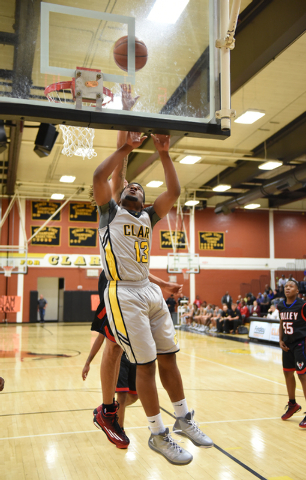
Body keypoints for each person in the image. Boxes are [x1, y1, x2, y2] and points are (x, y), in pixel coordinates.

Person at [92, 131, 213, 465]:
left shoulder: (148, 216)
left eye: (139, 188)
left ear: (144, 201)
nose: (134, 187)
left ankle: (183, 417)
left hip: (149, 290)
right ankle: (158, 433)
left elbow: (173, 191)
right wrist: (126, 148)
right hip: (123, 292)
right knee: (144, 364)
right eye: (129, 186)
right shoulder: (109, 213)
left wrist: (163, 153)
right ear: (120, 195)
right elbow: (100, 177)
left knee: (169, 357)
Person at [83, 270, 182, 435]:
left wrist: (164, 285)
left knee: (134, 395)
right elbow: (101, 338)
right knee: (115, 350)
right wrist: (88, 361)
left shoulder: (142, 286)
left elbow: (141, 271)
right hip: (118, 293)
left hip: (135, 349)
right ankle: (115, 423)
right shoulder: (115, 269)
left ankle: (109, 410)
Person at [278, 279, 306, 428]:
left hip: (301, 343)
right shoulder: (281, 305)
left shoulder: (304, 305)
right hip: (287, 344)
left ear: (297, 291)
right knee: (288, 373)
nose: (287, 288)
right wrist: (280, 339)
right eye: (285, 286)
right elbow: (282, 323)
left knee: (302, 375)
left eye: (291, 286)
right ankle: (293, 405)